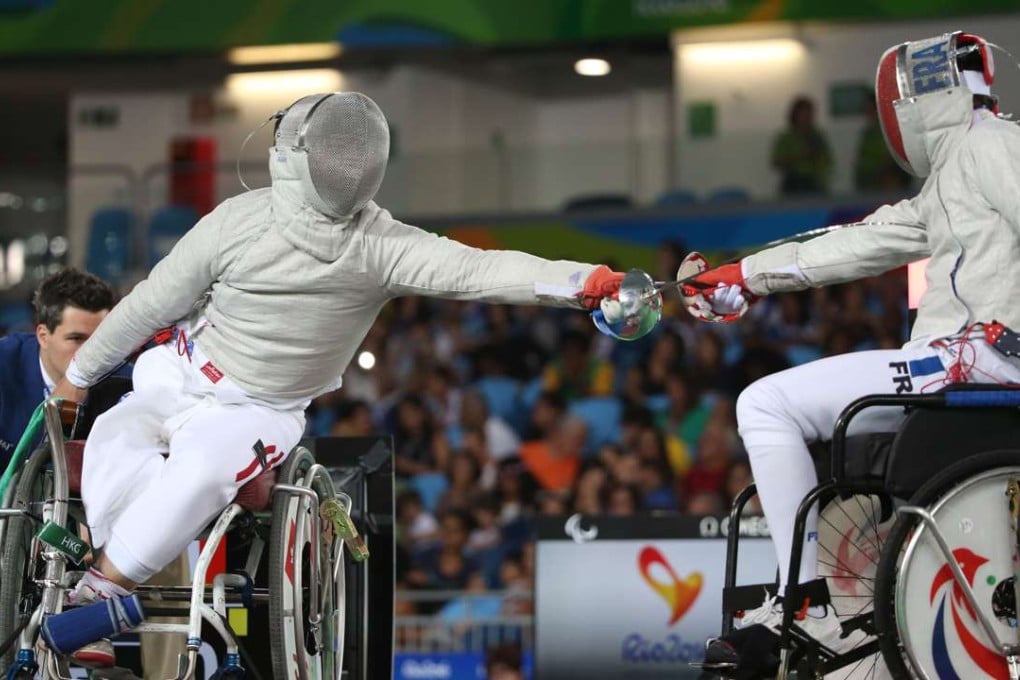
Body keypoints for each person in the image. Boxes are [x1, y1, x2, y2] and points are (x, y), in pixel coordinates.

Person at [46, 92, 627, 653]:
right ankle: (107, 578)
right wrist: (82, 373)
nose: (345, 169)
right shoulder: (237, 222)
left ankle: (102, 593)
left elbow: (482, 270)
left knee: (199, 469)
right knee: (118, 432)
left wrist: (584, 281)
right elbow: (151, 303)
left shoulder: (380, 245)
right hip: (180, 370)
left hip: (257, 410)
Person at [681, 31, 1017, 653]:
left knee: (765, 405)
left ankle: (802, 604)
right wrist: (744, 276)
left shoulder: (993, 145)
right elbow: (854, 243)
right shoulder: (950, 179)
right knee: (785, 413)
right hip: (962, 364)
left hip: (982, 361)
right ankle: (810, 600)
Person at [0, 269, 187, 677]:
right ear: (42, 335)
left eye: (104, 340)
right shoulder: (3, 369)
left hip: (95, 522)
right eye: (77, 340)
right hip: (15, 514)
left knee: (164, 539)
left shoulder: (129, 380)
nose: (92, 354)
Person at [770, 96, 833, 196]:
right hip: (793, 183)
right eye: (803, 114)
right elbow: (776, 161)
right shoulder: (787, 138)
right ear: (795, 115)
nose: (807, 117)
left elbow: (828, 160)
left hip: (815, 182)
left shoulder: (818, 136)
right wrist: (799, 157)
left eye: (810, 113)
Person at [854, 94, 913, 193]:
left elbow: (895, 158)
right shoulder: (869, 133)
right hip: (870, 186)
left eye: (870, 109)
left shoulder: (890, 131)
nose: (867, 113)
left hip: (890, 185)